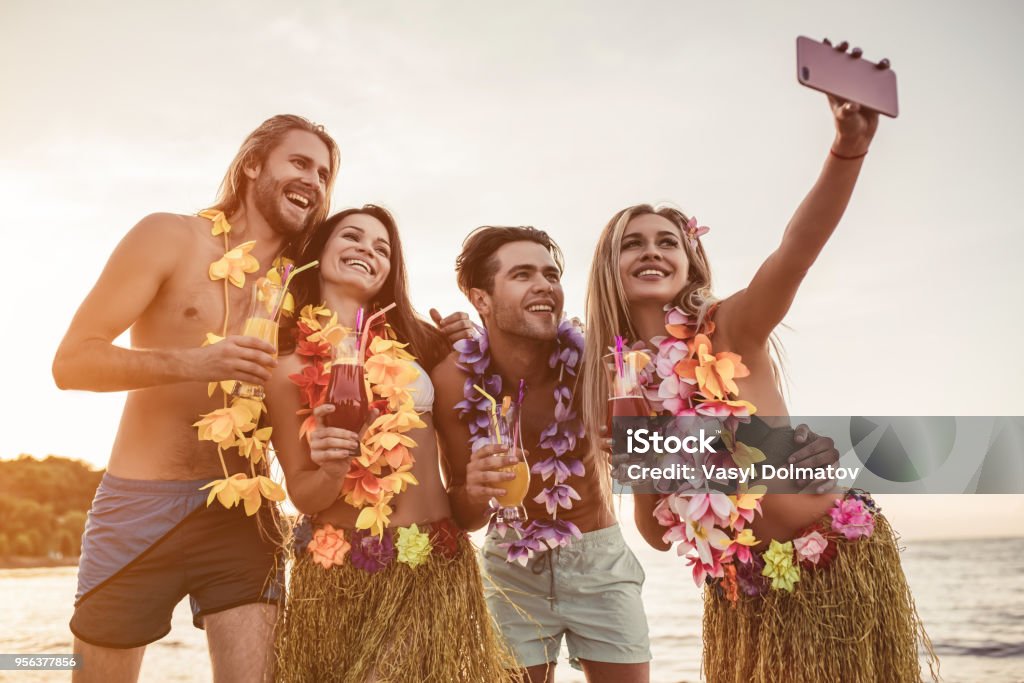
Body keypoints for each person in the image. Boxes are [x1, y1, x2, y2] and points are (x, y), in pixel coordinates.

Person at [580, 84, 938, 681]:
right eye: (632, 244)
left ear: (692, 261)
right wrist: (637, 451)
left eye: (667, 241)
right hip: (743, 595)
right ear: (609, 267)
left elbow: (795, 252)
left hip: (835, 563)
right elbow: (655, 533)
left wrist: (846, 151)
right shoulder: (620, 388)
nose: (651, 252)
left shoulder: (731, 329)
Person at [430, 226, 839, 683]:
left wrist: (791, 446)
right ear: (480, 298)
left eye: (550, 273)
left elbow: (702, 419)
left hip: (598, 563)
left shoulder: (605, 363)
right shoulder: (452, 380)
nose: (545, 285)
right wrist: (476, 487)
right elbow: (464, 515)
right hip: (510, 567)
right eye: (523, 274)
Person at [52, 115, 340, 683]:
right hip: (138, 507)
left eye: (326, 173)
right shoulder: (169, 236)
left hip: (245, 518)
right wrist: (195, 362)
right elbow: (71, 363)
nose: (315, 180)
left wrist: (453, 337)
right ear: (253, 163)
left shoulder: (305, 286)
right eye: (300, 163)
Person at [266, 205, 516, 682]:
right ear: (319, 253)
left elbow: (469, 500)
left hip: (434, 572)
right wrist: (334, 470)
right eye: (352, 237)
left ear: (390, 271)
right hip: (338, 580)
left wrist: (474, 338)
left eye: (382, 248)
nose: (367, 250)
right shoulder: (285, 366)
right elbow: (303, 493)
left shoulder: (423, 344)